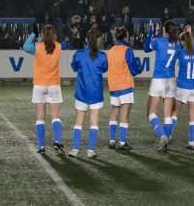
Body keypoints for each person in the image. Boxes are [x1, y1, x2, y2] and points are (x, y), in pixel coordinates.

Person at [23, 25, 65, 154]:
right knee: (56, 116)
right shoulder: (58, 47)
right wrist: (44, 37)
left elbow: (25, 46)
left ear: (42, 35)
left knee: (40, 116)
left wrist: (34, 35)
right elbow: (50, 43)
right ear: (54, 35)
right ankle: (57, 141)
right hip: (53, 85)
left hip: (40, 85)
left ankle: (41, 146)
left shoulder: (37, 47)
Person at [68, 30, 108, 158]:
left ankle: (75, 149)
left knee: (78, 121)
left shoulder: (79, 54)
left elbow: (74, 67)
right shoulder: (102, 55)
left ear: (86, 39)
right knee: (94, 122)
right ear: (98, 41)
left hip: (82, 92)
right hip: (96, 93)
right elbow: (104, 68)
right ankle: (90, 151)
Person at [144, 20, 179, 152]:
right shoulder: (177, 43)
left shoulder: (159, 41)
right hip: (171, 80)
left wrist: (151, 31)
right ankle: (167, 140)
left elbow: (146, 48)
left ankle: (163, 136)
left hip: (159, 79)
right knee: (167, 114)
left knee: (151, 112)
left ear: (165, 29)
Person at [169, 26, 194, 150]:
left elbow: (178, 46)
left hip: (183, 86)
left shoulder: (181, 52)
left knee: (174, 113)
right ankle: (191, 142)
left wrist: (186, 35)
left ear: (183, 41)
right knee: (192, 115)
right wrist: (190, 34)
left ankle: (167, 136)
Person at [107, 27, 141, 150]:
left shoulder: (110, 51)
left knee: (114, 112)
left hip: (113, 86)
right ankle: (121, 142)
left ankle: (111, 141)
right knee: (125, 115)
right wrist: (139, 69)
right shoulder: (127, 50)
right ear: (126, 37)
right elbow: (134, 70)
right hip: (125, 85)